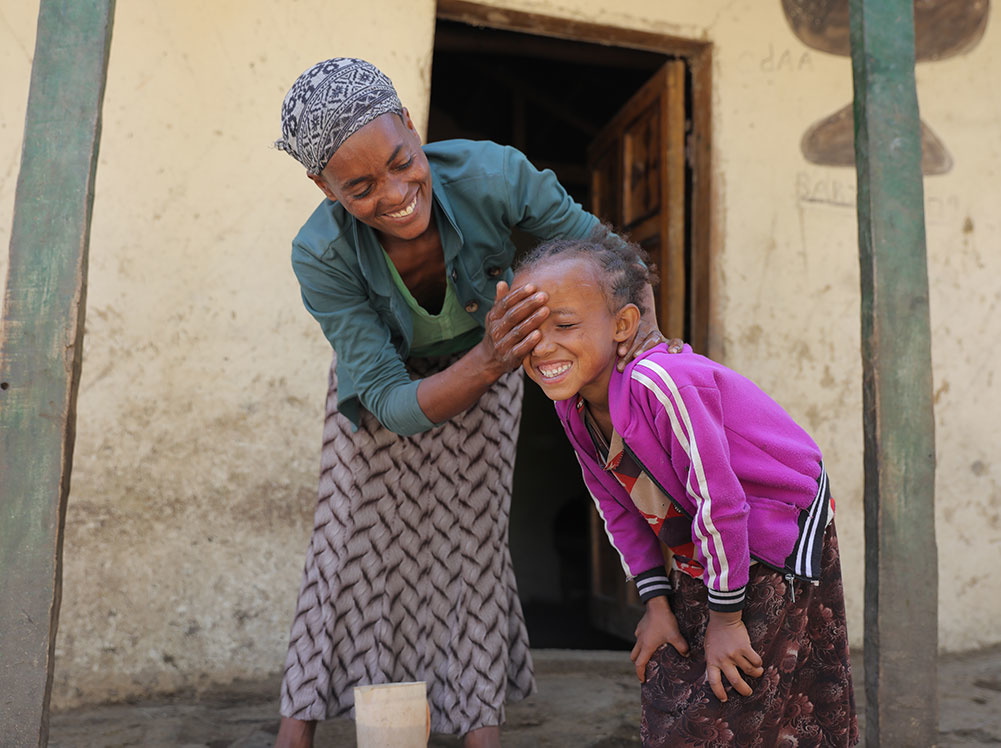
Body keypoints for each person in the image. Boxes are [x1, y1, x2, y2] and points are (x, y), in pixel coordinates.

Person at [272, 58, 674, 748]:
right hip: (388, 382)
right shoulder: (320, 253)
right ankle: (296, 730)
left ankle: (478, 729)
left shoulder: (492, 176)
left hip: (490, 363)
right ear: (322, 186)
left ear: (410, 126)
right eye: (360, 187)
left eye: (401, 162)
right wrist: (490, 356)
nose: (396, 194)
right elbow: (391, 405)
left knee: (472, 544)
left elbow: (612, 262)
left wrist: (651, 371)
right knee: (342, 547)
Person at [511, 233, 859, 747]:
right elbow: (618, 507)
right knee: (671, 682)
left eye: (564, 325)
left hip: (776, 522)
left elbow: (722, 502)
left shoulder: (662, 384)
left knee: (734, 692)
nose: (543, 346)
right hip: (710, 543)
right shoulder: (573, 408)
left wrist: (727, 617)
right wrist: (654, 603)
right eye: (529, 330)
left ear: (623, 325)